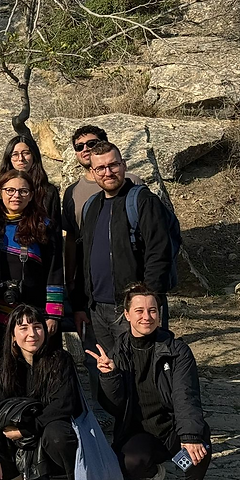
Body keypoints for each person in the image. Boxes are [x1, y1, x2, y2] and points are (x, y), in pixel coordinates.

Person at [88, 283, 210, 480]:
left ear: (159, 313)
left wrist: (190, 436)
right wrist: (109, 376)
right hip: (140, 431)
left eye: (152, 310)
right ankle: (153, 473)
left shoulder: (177, 351)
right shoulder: (118, 352)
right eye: (139, 311)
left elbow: (186, 395)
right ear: (127, 315)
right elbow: (114, 407)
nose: (147, 316)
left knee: (197, 444)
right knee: (130, 463)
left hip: (173, 428)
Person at [0, 305, 94, 480]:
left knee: (57, 433)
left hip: (52, 438)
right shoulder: (4, 367)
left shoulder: (60, 359)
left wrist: (27, 428)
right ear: (13, 336)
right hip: (20, 442)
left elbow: (64, 404)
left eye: (37, 327)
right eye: (23, 328)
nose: (32, 334)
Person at [72, 142, 174, 357]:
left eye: (113, 165)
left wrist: (146, 302)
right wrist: (80, 304)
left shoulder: (143, 201)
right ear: (93, 172)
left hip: (132, 309)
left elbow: (159, 253)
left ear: (124, 165)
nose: (108, 172)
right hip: (97, 310)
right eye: (100, 168)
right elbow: (83, 259)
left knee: (141, 368)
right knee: (108, 370)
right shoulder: (92, 205)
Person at [62, 125, 141, 399]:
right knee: (98, 356)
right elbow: (73, 242)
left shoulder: (133, 184)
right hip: (92, 292)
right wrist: (72, 285)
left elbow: (155, 242)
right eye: (79, 146)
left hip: (130, 293)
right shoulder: (74, 193)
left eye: (92, 143)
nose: (85, 149)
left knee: (136, 357)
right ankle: (108, 409)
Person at [0, 170, 64, 370]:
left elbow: (55, 270)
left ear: (31, 195)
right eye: (10, 190)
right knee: (0, 370)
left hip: (33, 316)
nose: (16, 195)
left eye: (23, 191)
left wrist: (53, 314)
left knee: (36, 370)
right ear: (0, 192)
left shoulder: (44, 226)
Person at [0, 135, 61, 228]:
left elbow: (55, 230)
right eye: (15, 154)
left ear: (34, 156)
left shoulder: (48, 192)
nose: (21, 159)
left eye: (26, 153)